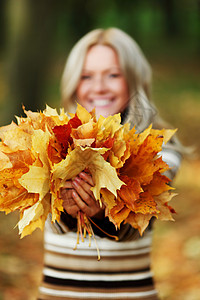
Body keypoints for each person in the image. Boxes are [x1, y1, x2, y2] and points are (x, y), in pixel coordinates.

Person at [37, 28, 182, 300]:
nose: (99, 87)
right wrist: (69, 208)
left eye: (113, 75)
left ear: (134, 80)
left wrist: (103, 213)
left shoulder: (161, 151)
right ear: (73, 83)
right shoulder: (49, 146)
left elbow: (135, 228)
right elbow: (54, 224)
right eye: (86, 76)